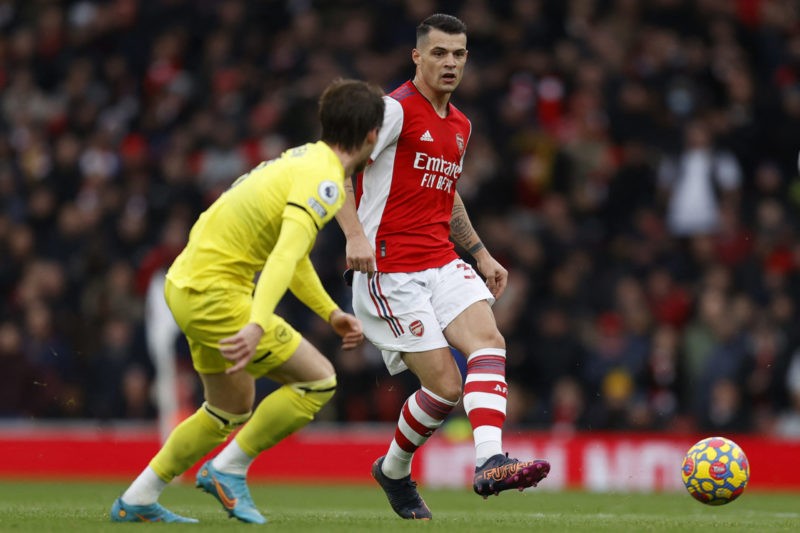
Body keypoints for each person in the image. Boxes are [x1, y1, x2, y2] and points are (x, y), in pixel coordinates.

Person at [110, 78, 385, 524]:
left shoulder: (304, 159)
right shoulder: (325, 181)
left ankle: (138, 499)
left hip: (186, 286)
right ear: (372, 135)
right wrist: (258, 322)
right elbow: (282, 257)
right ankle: (227, 468)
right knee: (318, 381)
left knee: (228, 409)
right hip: (217, 296)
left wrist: (330, 312)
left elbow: (292, 259)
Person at [335, 14, 550, 521]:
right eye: (439, 53)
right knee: (446, 388)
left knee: (490, 343)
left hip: (441, 259)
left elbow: (445, 192)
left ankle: (490, 461)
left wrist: (479, 251)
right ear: (417, 56)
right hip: (388, 270)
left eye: (458, 54)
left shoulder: (460, 125)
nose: (449, 63)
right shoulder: (392, 111)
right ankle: (392, 470)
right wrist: (353, 234)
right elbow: (335, 166)